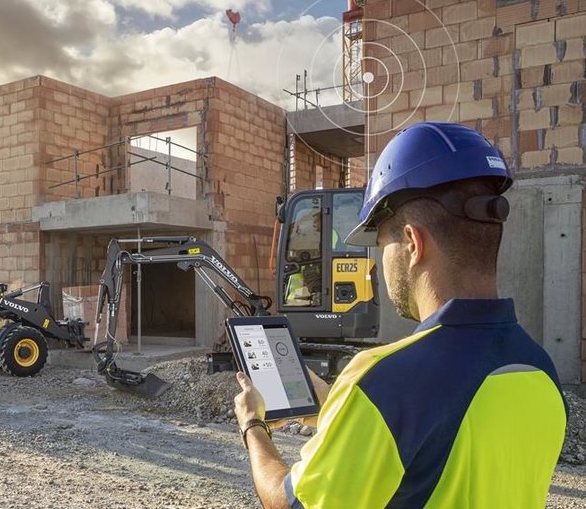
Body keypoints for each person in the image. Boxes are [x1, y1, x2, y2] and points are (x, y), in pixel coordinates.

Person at [234, 122, 567, 508]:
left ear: (411, 243)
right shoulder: (540, 369)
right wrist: (336, 410)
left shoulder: (383, 381)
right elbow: (440, 443)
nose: (375, 266)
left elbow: (293, 503)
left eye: (381, 245)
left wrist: (253, 425)